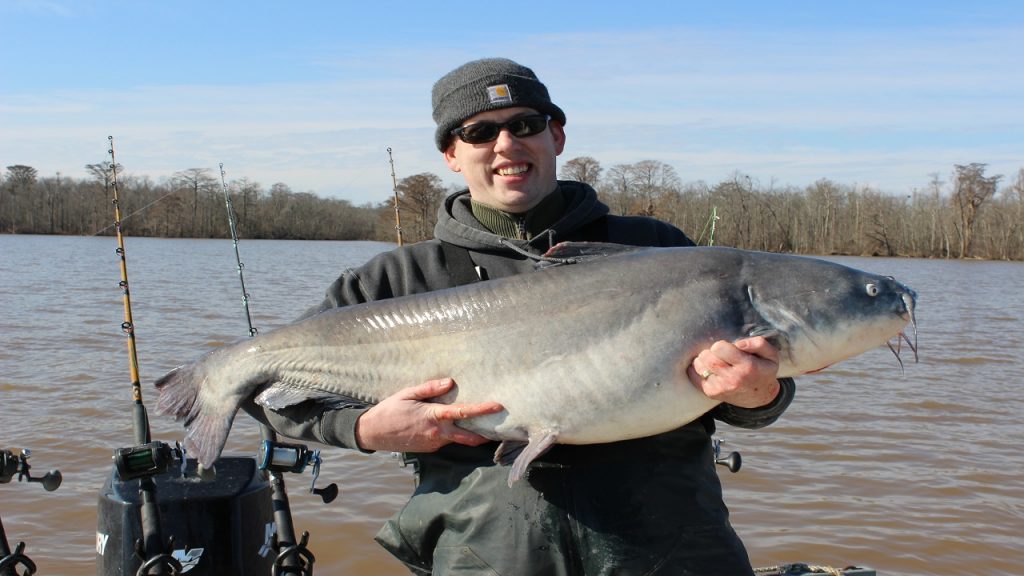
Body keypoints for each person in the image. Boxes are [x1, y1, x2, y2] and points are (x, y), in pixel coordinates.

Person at [249, 57, 795, 575]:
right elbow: (260, 387)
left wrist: (758, 395)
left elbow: (759, 394)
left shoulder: (659, 251)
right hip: (484, 554)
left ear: (556, 136)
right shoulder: (395, 280)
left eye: (525, 124)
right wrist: (366, 428)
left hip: (675, 549)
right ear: (452, 154)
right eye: (479, 132)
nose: (506, 144)